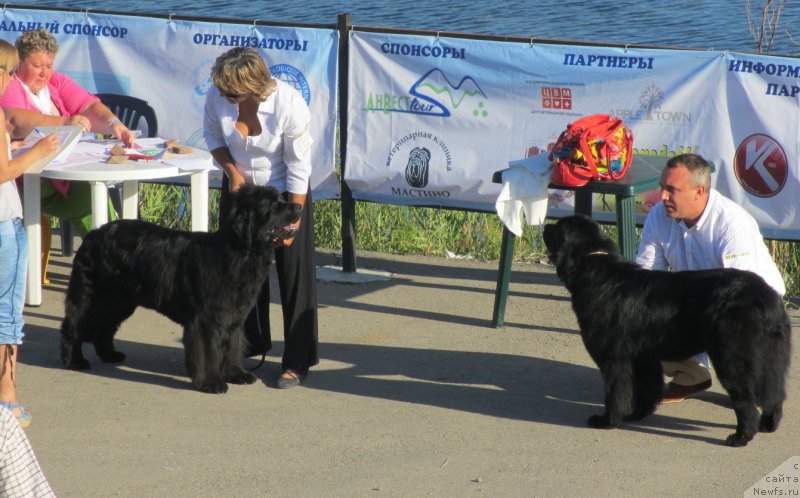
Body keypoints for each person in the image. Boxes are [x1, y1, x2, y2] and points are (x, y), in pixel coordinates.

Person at [203, 47, 318, 389]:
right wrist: (231, 172)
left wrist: (293, 220)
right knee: (238, 272)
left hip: (284, 193)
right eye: (223, 92)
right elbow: (212, 137)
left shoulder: (289, 103)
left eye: (233, 93)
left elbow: (299, 166)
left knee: (293, 272)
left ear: (254, 85)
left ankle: (298, 361)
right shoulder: (217, 94)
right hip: (240, 190)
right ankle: (249, 345)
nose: (226, 98)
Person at [635, 153, 785, 403]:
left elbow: (741, 299)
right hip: (698, 305)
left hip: (753, 312)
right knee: (634, 321)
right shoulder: (658, 215)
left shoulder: (732, 224)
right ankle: (692, 374)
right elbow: (645, 281)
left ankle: (754, 381)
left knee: (752, 390)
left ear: (699, 191)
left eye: (671, 190)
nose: (661, 197)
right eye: (662, 188)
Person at [0, 27, 137, 237]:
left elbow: (88, 106)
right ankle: (109, 252)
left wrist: (113, 123)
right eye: (37, 66)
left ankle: (112, 249)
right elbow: (14, 120)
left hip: (60, 173)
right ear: (19, 63)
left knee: (93, 193)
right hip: (29, 179)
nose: (44, 73)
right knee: (89, 197)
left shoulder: (57, 81)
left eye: (49, 65)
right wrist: (64, 122)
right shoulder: (10, 85)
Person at [0, 39, 61, 428]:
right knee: (7, 311)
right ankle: (8, 397)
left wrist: (14, 148)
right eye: (5, 71)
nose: (6, 79)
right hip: (4, 223)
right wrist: (35, 154)